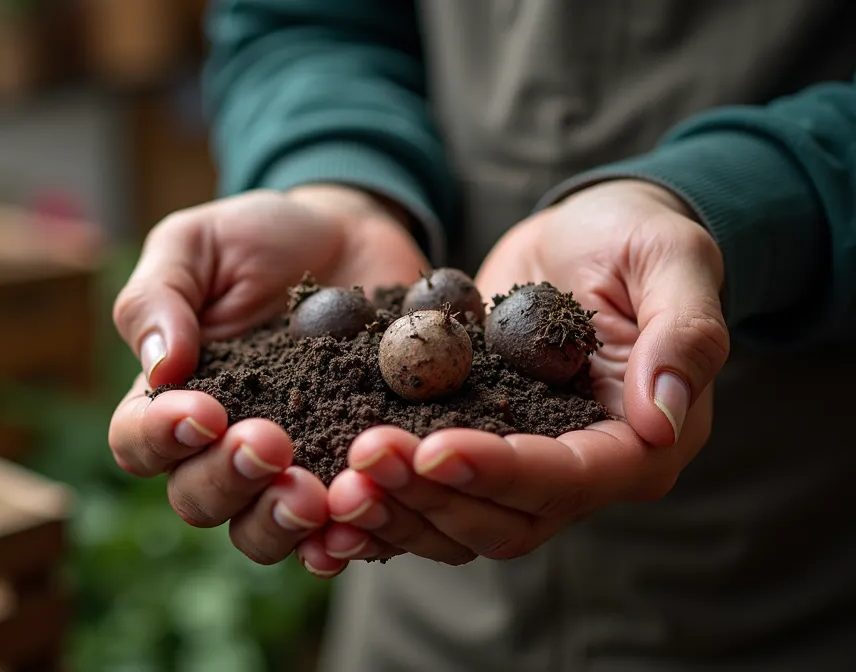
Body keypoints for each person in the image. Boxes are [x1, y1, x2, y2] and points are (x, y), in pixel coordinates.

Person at [109, 1, 856, 669]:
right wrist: (332, 177)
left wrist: (756, 200)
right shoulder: (392, 340)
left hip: (782, 572)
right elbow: (303, 22)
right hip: (421, 604)